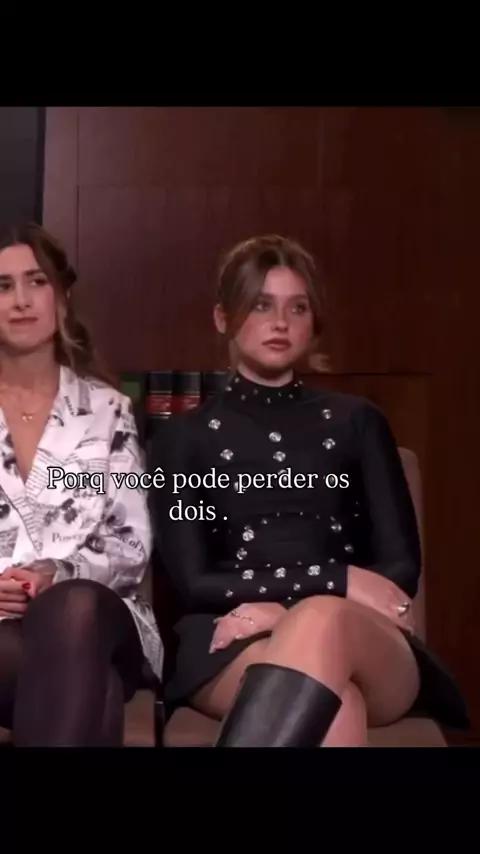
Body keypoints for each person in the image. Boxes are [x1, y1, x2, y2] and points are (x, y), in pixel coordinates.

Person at [149, 234, 468, 747]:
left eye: (297, 307)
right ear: (223, 318)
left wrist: (289, 610)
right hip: (232, 639)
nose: (280, 322)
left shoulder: (358, 422)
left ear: (314, 321)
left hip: (365, 640)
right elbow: (193, 582)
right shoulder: (181, 440)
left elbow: (400, 571)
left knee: (321, 620)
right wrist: (335, 578)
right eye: (261, 305)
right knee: (336, 702)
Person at [0, 222, 162, 746]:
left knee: (73, 610)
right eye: (3, 286)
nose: (21, 300)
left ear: (62, 298)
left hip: (101, 612)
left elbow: (129, 543)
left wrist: (57, 573)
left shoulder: (107, 410)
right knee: (98, 691)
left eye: (37, 281)